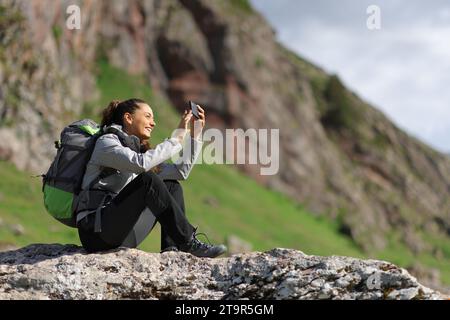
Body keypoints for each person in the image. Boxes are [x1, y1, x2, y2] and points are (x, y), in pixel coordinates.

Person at [74, 98, 227, 258]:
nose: (153, 123)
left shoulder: (137, 151)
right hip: (95, 233)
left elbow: (180, 171)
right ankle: (188, 242)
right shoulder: (106, 143)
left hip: (121, 233)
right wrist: (176, 139)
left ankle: (172, 250)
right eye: (148, 116)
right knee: (148, 179)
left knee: (171, 186)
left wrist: (194, 136)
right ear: (128, 118)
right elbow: (141, 164)